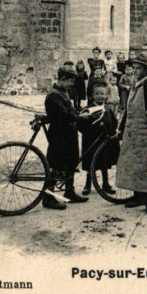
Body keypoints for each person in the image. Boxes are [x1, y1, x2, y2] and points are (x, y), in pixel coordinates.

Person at [115, 53, 147, 217]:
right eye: (134, 68)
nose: (135, 71)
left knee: (146, 165)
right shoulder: (134, 85)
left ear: (146, 70)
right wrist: (120, 129)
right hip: (132, 130)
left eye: (139, 68)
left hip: (144, 131)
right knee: (133, 165)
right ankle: (137, 196)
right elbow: (128, 110)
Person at [43, 66, 88, 209]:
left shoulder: (63, 91)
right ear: (62, 79)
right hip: (59, 134)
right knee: (57, 165)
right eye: (70, 81)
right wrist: (79, 116)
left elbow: (69, 110)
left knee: (71, 162)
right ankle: (48, 198)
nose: (72, 84)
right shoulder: (53, 95)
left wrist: (79, 112)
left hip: (68, 132)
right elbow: (64, 115)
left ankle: (69, 191)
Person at [79, 81, 118, 197]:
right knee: (90, 162)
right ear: (92, 96)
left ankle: (106, 184)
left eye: (103, 94)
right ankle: (87, 184)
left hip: (103, 141)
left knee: (104, 163)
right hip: (91, 140)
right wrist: (93, 127)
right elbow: (81, 124)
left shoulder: (107, 109)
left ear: (107, 96)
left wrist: (111, 130)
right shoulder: (87, 109)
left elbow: (113, 122)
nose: (100, 96)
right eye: (97, 94)